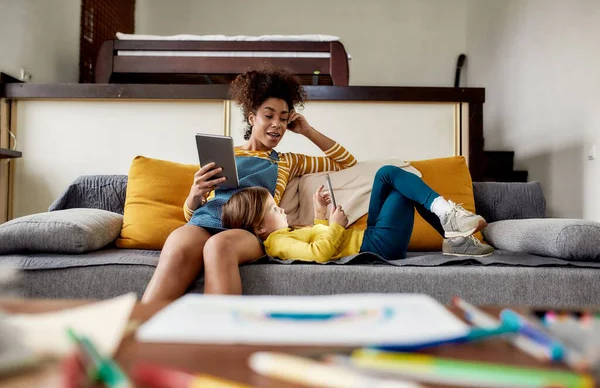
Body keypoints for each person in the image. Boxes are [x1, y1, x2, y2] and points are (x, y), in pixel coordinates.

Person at [141, 68, 358, 302]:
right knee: (178, 245)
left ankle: (221, 336)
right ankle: (137, 330)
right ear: (252, 117)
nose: (277, 124)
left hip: (250, 231)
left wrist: (307, 131)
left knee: (218, 246)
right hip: (206, 220)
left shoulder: (288, 160)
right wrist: (195, 194)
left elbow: (346, 162)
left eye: (283, 118)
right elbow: (190, 214)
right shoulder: (223, 153)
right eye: (269, 115)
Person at [221, 165, 494, 263]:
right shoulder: (277, 243)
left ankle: (451, 226)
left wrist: (320, 212)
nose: (280, 208)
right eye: (273, 209)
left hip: (371, 237)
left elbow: (317, 236)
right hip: (377, 246)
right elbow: (319, 254)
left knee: (386, 174)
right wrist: (337, 226)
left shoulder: (282, 234)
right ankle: (451, 225)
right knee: (401, 191)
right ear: (259, 228)